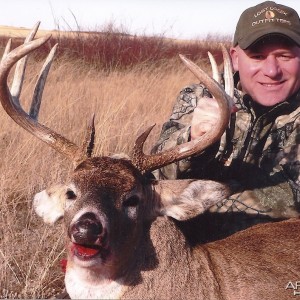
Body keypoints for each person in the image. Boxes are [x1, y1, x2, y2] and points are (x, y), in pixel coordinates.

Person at [152, 1, 300, 242]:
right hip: (192, 254)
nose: (272, 70)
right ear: (235, 58)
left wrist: (207, 203)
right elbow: (159, 178)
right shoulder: (199, 98)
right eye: (257, 56)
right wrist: (192, 138)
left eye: (284, 56)